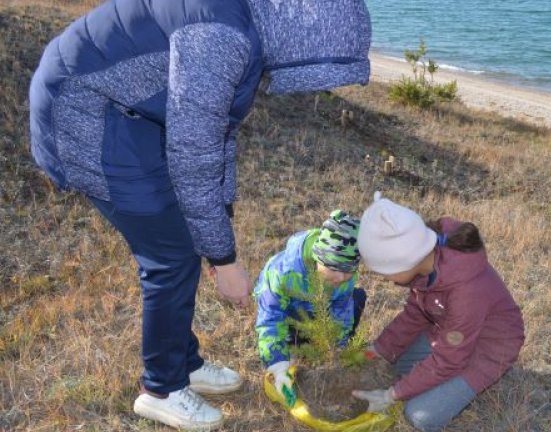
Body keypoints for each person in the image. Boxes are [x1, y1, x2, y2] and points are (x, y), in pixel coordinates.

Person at [28, 0, 371, 429]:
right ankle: (161, 389)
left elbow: (215, 135)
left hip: (130, 109)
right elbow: (194, 155)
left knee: (185, 239)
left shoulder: (247, 25)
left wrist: (216, 227)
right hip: (87, 114)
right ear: (305, 37)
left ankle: (183, 363)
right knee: (169, 257)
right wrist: (224, 261)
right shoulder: (223, 38)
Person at [352, 192, 525, 432]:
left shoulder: (466, 291)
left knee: (419, 415)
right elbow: (415, 314)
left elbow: (449, 359)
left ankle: (466, 381)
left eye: (385, 271)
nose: (385, 279)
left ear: (405, 261)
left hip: (490, 347)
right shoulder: (426, 264)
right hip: (450, 333)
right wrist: (380, 348)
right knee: (395, 370)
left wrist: (393, 395)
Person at [254, 210, 366, 406]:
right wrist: (279, 366)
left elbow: (342, 313)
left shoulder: (345, 278)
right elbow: (271, 319)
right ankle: (294, 345)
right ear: (318, 258)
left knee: (357, 298)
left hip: (318, 319)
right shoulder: (284, 273)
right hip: (291, 319)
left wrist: (337, 349)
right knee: (285, 339)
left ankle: (319, 347)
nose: (340, 278)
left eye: (348, 271)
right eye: (333, 268)